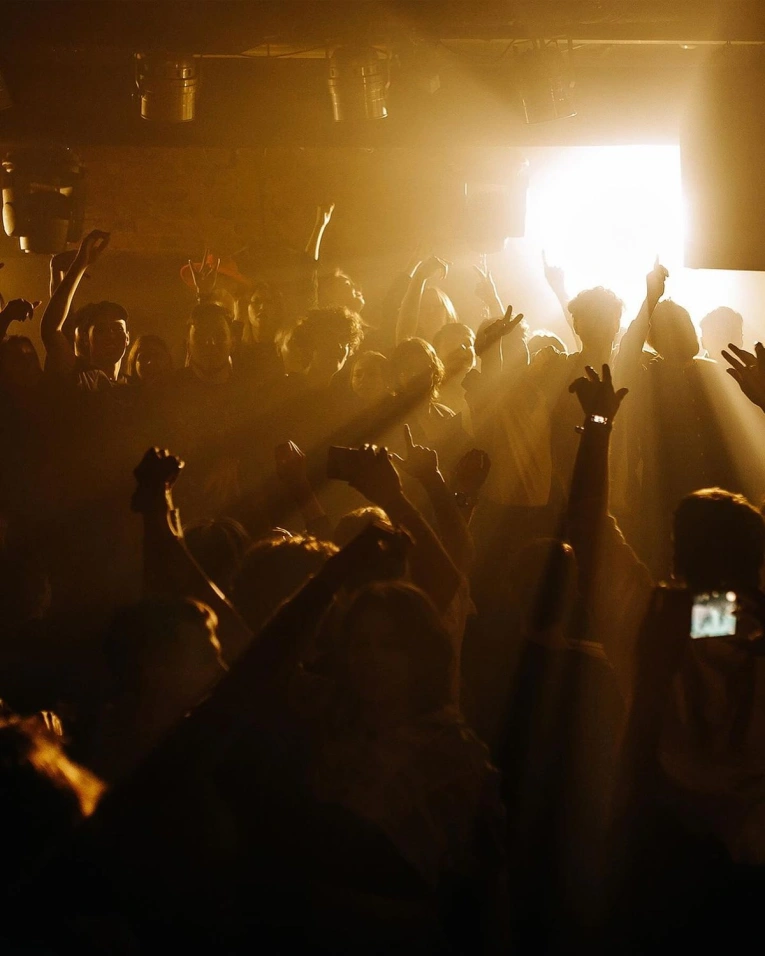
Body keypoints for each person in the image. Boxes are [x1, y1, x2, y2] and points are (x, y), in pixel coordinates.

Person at [40, 229, 129, 389]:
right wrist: (80, 264)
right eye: (101, 330)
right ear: (86, 339)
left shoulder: (133, 386)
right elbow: (53, 329)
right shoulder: (82, 377)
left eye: (117, 329)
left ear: (127, 338)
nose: (110, 335)